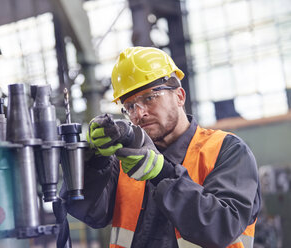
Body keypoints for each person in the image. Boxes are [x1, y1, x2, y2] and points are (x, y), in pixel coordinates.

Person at [61, 46, 261, 248]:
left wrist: (162, 174)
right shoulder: (125, 163)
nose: (139, 113)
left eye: (149, 98)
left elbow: (222, 227)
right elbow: (88, 211)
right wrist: (96, 162)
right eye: (130, 106)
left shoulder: (226, 150)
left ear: (180, 96)